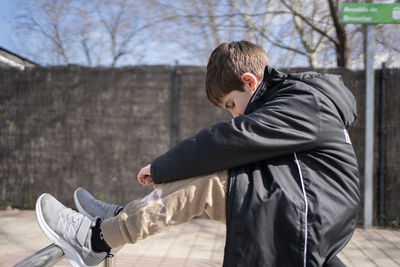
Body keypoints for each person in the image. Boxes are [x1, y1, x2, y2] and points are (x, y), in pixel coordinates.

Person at [35, 40, 360, 267]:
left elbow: (231, 139)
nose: (234, 115)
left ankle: (96, 239)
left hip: (309, 211)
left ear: (249, 82)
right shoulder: (294, 100)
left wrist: (162, 167)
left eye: (232, 105)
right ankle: (120, 218)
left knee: (211, 178)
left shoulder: (302, 103)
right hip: (303, 204)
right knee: (213, 174)